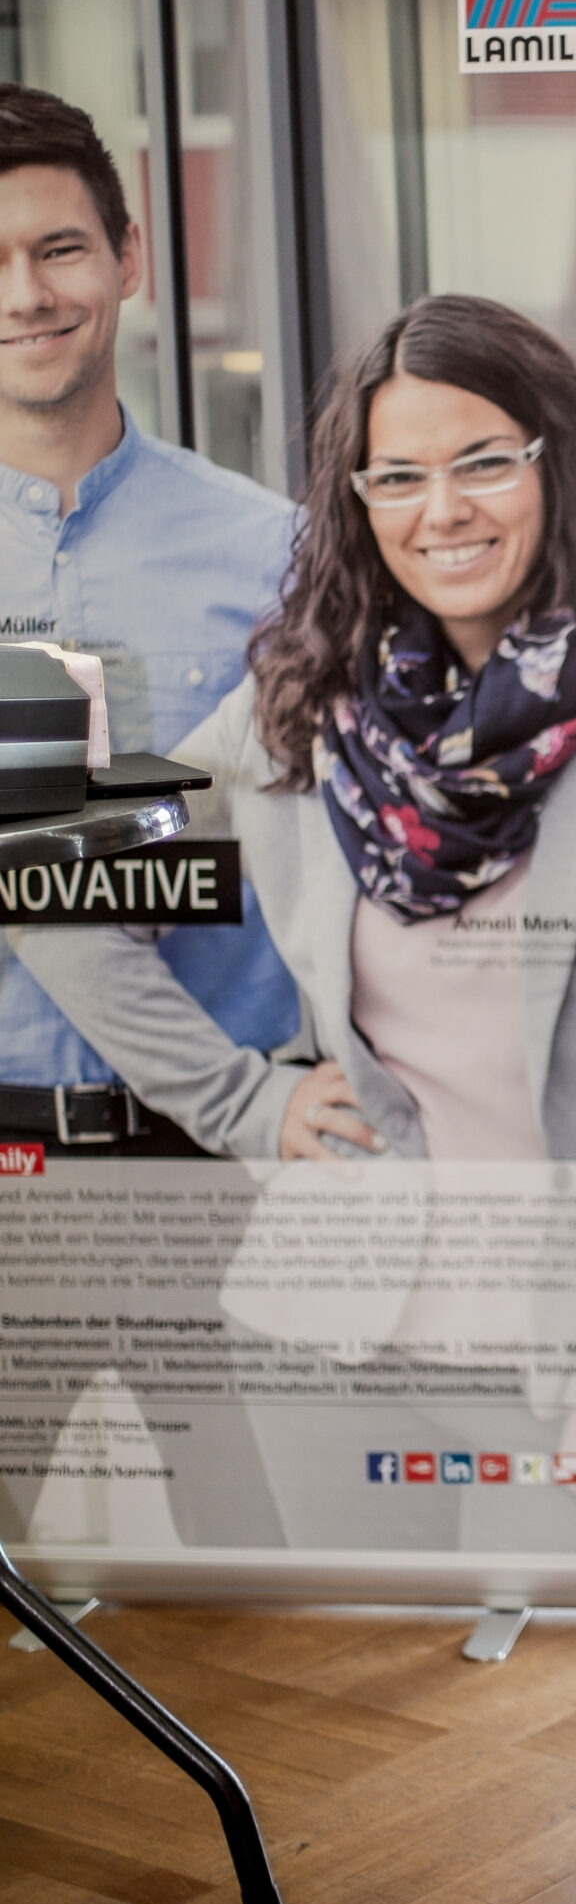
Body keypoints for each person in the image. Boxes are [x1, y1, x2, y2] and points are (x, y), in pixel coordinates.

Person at [18, 293, 576, 1163]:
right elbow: (57, 893)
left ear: (555, 468)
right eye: (399, 477)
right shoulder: (296, 717)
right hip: (364, 1267)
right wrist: (245, 1103)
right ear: (359, 501)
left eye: (484, 464)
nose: (441, 511)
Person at [0, 82, 297, 1152]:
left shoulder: (276, 553)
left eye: (59, 249)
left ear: (129, 257)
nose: (26, 293)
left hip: (227, 1155)